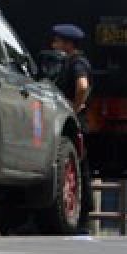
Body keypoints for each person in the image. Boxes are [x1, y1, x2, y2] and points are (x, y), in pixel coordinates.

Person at [50, 24, 93, 234]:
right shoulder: (70, 61)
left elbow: (83, 86)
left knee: (78, 169)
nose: (53, 44)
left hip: (77, 121)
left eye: (57, 41)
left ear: (68, 44)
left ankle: (82, 219)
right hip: (77, 120)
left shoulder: (77, 63)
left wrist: (73, 108)